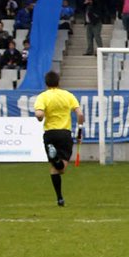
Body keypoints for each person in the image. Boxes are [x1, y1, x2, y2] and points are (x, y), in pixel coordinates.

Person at [33, 71, 84, 207]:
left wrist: (39, 115)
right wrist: (79, 131)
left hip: (50, 134)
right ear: (58, 82)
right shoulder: (68, 95)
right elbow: (80, 114)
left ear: (46, 83)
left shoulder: (42, 97)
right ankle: (56, 160)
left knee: (55, 169)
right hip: (64, 133)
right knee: (61, 169)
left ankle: (60, 198)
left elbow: (39, 115)